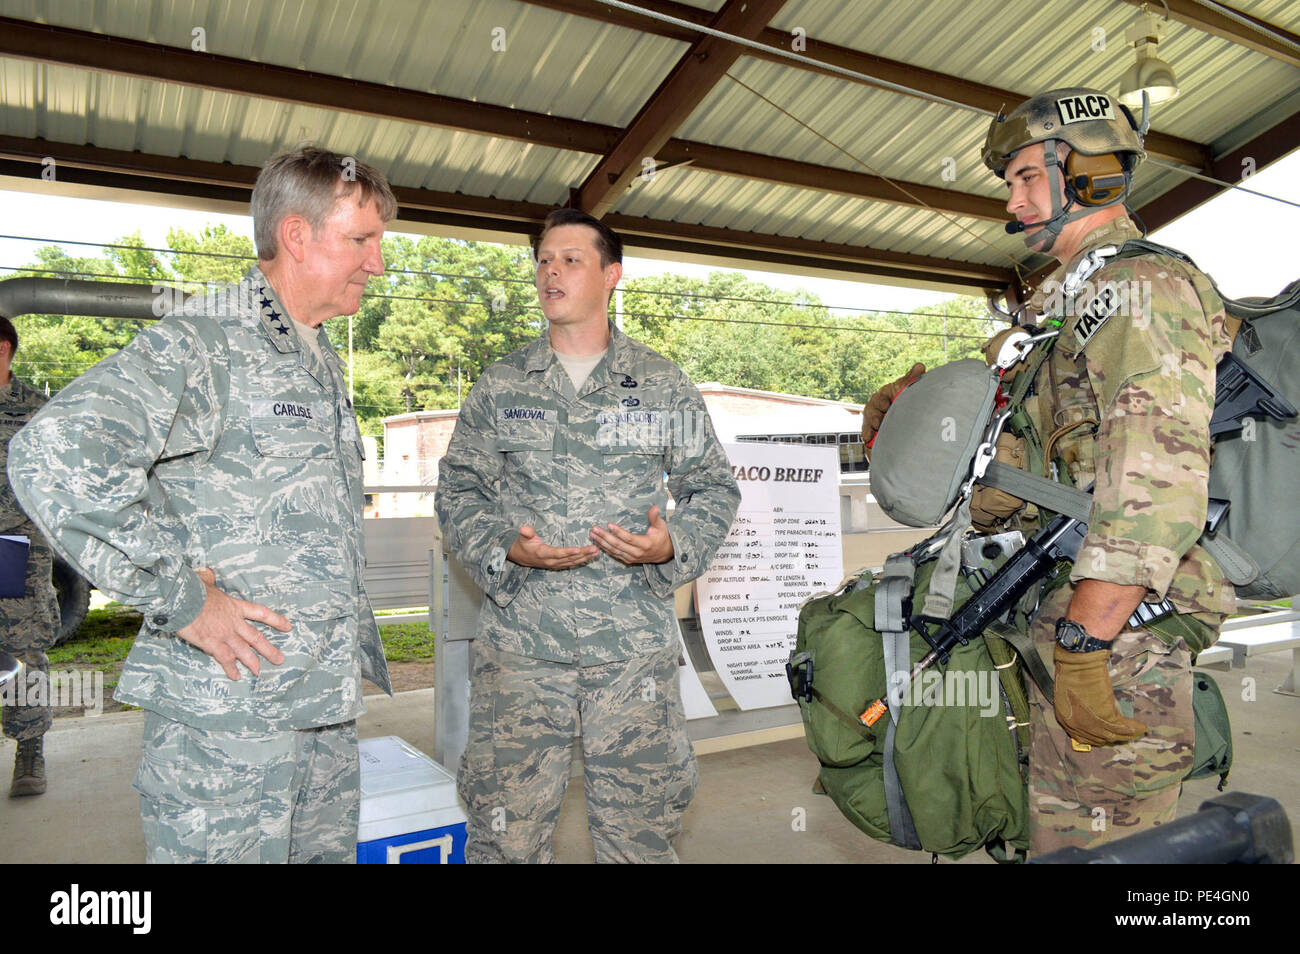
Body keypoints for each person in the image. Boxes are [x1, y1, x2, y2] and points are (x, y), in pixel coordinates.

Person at [863, 88, 1235, 855]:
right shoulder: (1060, 304)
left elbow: (1157, 477)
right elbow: (1022, 465)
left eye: (1029, 176)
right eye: (1011, 181)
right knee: (1051, 835)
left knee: (1103, 852)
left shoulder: (1140, 289)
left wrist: (1085, 642)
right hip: (1059, 614)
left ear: (1092, 176)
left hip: (1121, 635)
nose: (1012, 197)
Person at [8, 146, 395, 862]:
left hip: (317, 709)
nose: (377, 263)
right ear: (297, 236)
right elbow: (54, 451)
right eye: (362, 240)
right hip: (229, 721)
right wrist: (180, 597)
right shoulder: (210, 341)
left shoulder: (314, 351)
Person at [435, 208, 740, 863]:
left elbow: (713, 488)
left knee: (640, 836)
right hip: (520, 649)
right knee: (505, 835)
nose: (552, 271)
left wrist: (671, 544)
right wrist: (504, 546)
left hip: (631, 650)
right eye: (544, 259)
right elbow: (459, 489)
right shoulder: (502, 384)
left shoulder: (660, 383)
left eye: (572, 259)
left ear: (612, 275)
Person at [0, 316, 60, 796]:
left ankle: (30, 752)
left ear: (4, 351)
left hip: (14, 549)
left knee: (22, 652)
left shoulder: (39, 412)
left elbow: (54, 484)